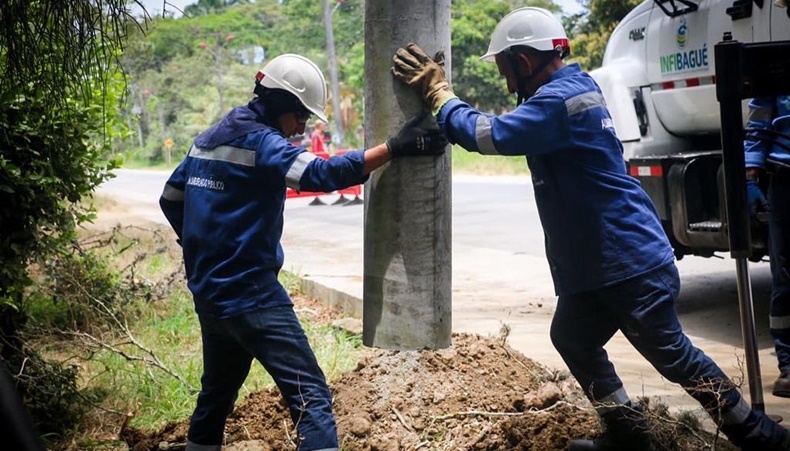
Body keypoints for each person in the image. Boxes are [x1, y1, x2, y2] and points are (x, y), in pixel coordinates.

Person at [391, 7, 790, 451]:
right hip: (603, 265)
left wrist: (440, 95)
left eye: (505, 70)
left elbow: (490, 135)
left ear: (524, 62)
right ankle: (629, 433)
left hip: (626, 262)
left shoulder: (558, 102)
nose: (506, 83)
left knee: (673, 355)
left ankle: (762, 438)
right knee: (573, 337)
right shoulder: (570, 91)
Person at [159, 53, 447, 451]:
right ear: (280, 104)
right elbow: (318, 173)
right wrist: (394, 148)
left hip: (210, 296)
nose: (301, 128)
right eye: (300, 116)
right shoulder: (261, 142)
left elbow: (171, 199)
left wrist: (202, 247)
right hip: (253, 297)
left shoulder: (207, 139)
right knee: (311, 398)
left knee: (216, 396)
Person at [744, 95, 790, 398]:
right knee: (785, 275)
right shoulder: (778, 70)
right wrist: (749, 174)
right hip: (785, 179)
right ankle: (789, 365)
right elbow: (758, 124)